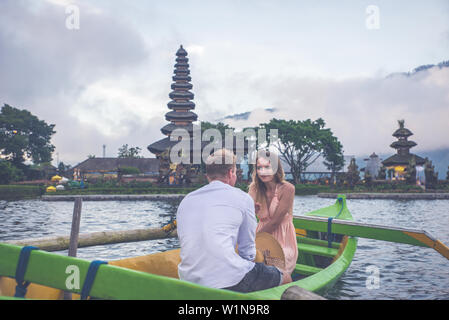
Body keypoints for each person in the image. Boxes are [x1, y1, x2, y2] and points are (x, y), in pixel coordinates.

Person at [177, 148, 283, 292]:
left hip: (188, 279)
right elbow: (247, 253)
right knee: (282, 276)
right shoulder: (243, 198)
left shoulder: (187, 200)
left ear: (208, 176)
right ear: (230, 173)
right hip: (228, 279)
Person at [248, 149, 298, 283]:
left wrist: (252, 240)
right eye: (259, 168)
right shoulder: (254, 188)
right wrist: (251, 211)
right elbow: (246, 216)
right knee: (249, 259)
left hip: (282, 238)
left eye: (267, 167)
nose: (263, 171)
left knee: (274, 262)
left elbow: (275, 222)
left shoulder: (288, 188)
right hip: (260, 233)